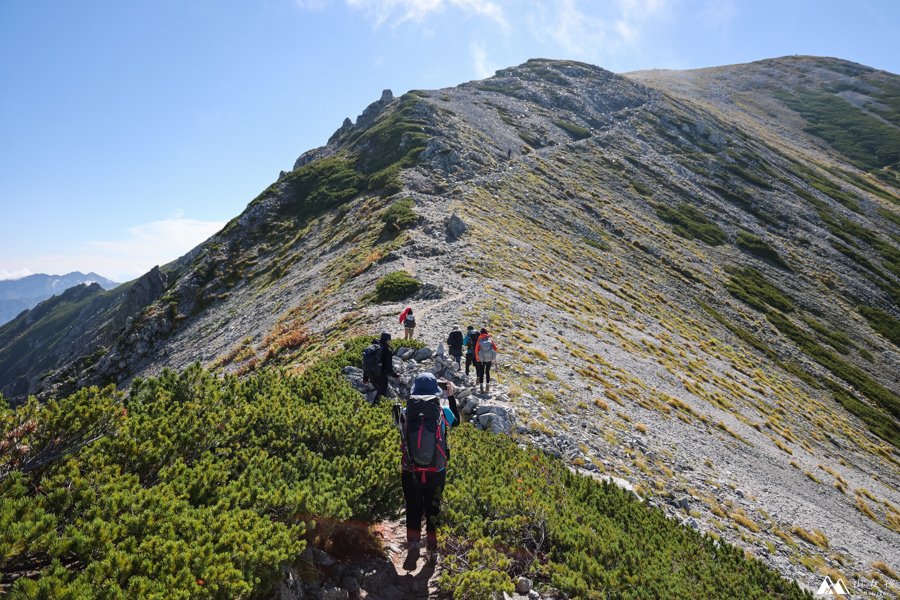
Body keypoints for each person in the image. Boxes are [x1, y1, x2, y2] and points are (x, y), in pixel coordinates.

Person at [397, 373, 460, 567]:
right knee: (433, 509)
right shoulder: (442, 412)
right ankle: (432, 550)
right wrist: (451, 396)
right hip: (436, 471)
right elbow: (456, 421)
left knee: (413, 507)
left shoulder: (406, 411)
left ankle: (413, 545)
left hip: (411, 470)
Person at [362, 332, 399, 404]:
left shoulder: (374, 348)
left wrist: (365, 377)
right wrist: (396, 375)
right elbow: (389, 369)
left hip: (371, 376)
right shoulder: (387, 350)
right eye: (390, 340)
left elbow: (367, 364)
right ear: (387, 340)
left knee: (380, 393)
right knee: (381, 395)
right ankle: (375, 411)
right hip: (381, 377)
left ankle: (377, 408)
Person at [474, 328, 498, 394]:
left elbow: (476, 349)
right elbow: (495, 348)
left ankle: (481, 387)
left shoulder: (479, 338)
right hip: (489, 359)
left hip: (481, 359)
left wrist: (477, 358)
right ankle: (487, 386)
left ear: (481, 332)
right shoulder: (490, 338)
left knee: (481, 372)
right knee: (487, 372)